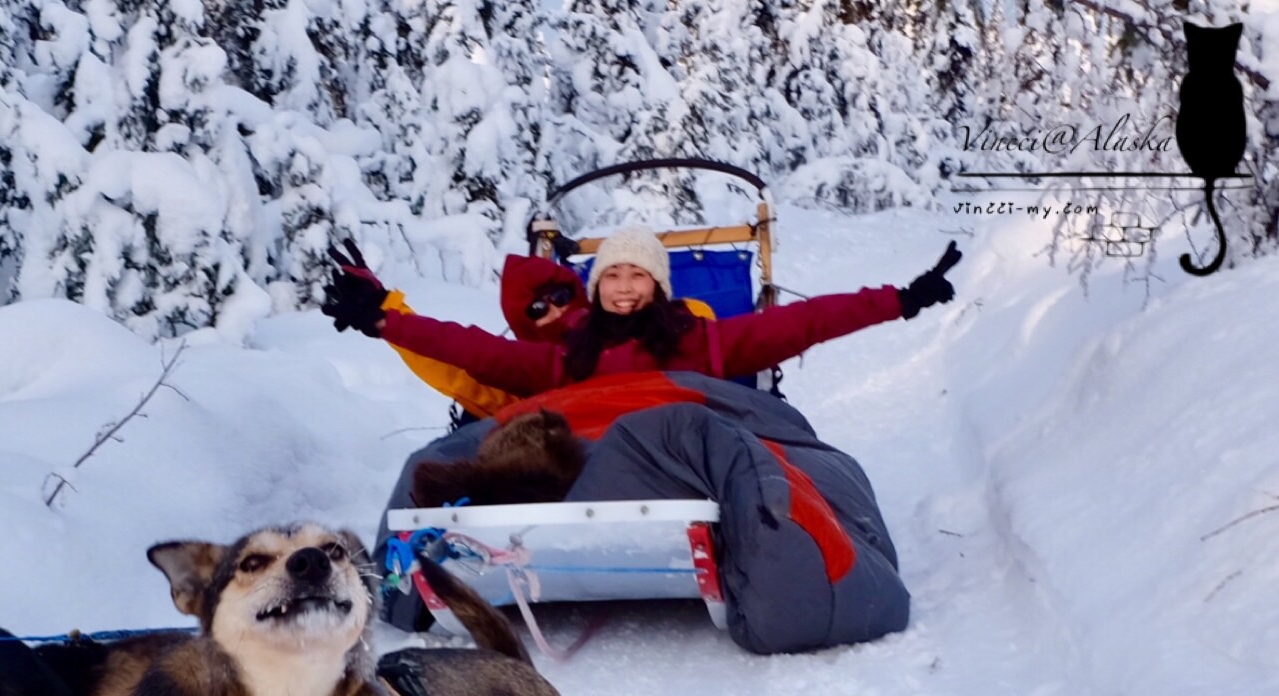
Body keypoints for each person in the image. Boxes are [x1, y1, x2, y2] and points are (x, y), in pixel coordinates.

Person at [322, 226, 961, 398]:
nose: (624, 287)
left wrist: (900, 300)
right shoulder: (562, 357)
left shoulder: (702, 343)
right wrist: (385, 319)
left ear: (657, 286)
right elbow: (474, 351)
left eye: (638, 276)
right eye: (613, 275)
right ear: (595, 287)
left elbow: (803, 322)